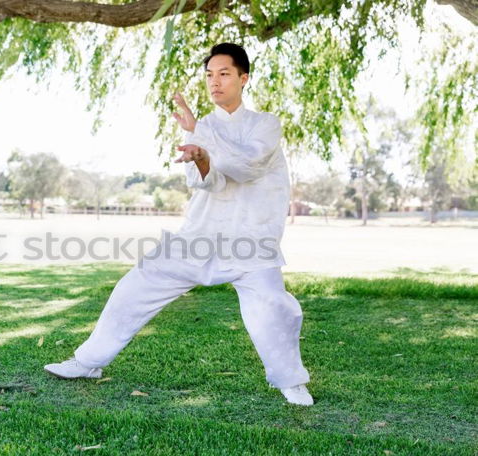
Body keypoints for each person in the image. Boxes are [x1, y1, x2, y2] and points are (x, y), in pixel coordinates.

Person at [44, 42, 313, 406]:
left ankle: (290, 381)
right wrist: (200, 152)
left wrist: (200, 136)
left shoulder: (265, 125)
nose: (214, 83)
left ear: (243, 78)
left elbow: (248, 165)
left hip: (252, 240)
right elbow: (205, 181)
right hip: (199, 236)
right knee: (134, 287)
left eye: (224, 74)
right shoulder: (200, 128)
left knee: (272, 310)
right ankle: (88, 361)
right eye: (208, 76)